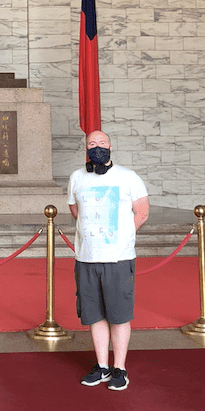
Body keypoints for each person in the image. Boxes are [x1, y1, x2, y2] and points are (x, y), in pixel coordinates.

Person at [67, 130, 149, 391]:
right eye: (92, 143)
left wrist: (121, 237)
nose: (97, 147)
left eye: (102, 143)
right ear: (86, 149)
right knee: (94, 315)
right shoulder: (77, 177)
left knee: (119, 315)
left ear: (110, 147)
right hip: (87, 257)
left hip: (118, 258)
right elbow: (75, 210)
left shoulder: (128, 177)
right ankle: (102, 365)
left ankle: (119, 368)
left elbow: (142, 212)